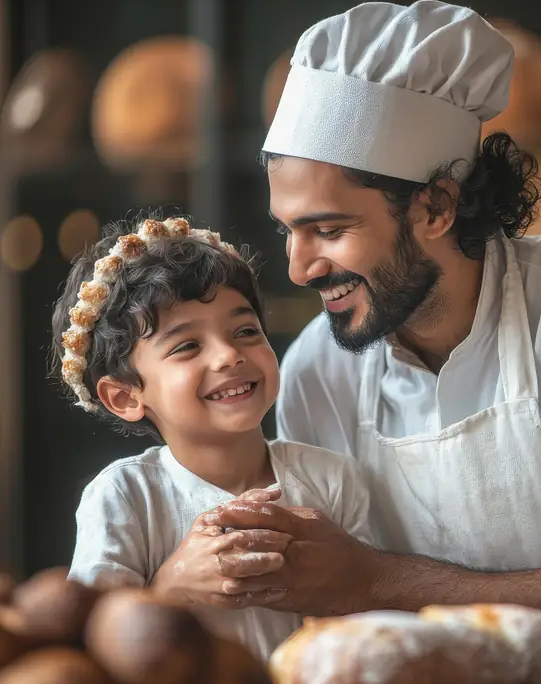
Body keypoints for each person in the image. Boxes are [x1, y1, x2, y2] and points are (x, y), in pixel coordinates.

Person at [201, 0, 541, 672]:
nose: (300, 267)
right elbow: (319, 613)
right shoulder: (318, 371)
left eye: (328, 229)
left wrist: (374, 580)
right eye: (287, 231)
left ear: (436, 206)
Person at [51, 213, 376, 660]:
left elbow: (369, 618)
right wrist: (174, 584)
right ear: (125, 397)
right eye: (187, 346)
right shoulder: (125, 496)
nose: (229, 356)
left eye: (245, 331)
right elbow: (93, 643)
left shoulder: (332, 479)